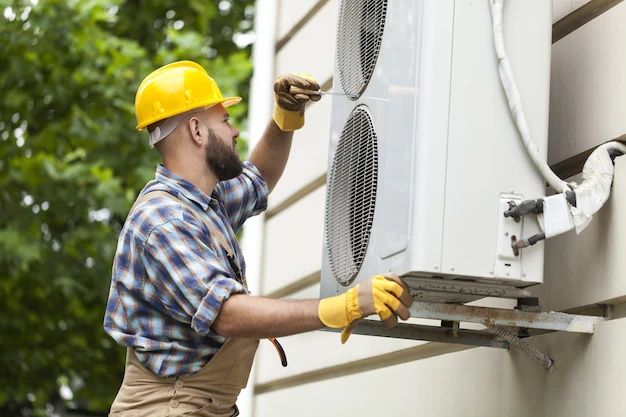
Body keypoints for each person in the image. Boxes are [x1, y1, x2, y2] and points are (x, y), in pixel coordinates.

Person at [103, 60, 412, 417]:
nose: (234, 132)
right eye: (225, 120)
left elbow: (258, 178)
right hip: (168, 408)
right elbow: (227, 313)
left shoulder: (203, 204)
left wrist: (286, 117)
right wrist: (341, 307)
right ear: (197, 131)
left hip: (200, 407)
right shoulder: (163, 221)